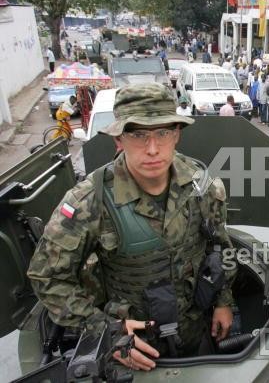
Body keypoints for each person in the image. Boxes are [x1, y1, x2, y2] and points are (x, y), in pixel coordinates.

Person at [27, 83, 237, 368]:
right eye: (138, 134)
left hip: (196, 334)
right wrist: (105, 332)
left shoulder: (200, 185)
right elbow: (46, 278)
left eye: (163, 132)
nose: (152, 149)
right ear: (118, 139)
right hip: (132, 348)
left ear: (176, 134)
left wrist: (224, 301)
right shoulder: (91, 201)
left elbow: (220, 245)